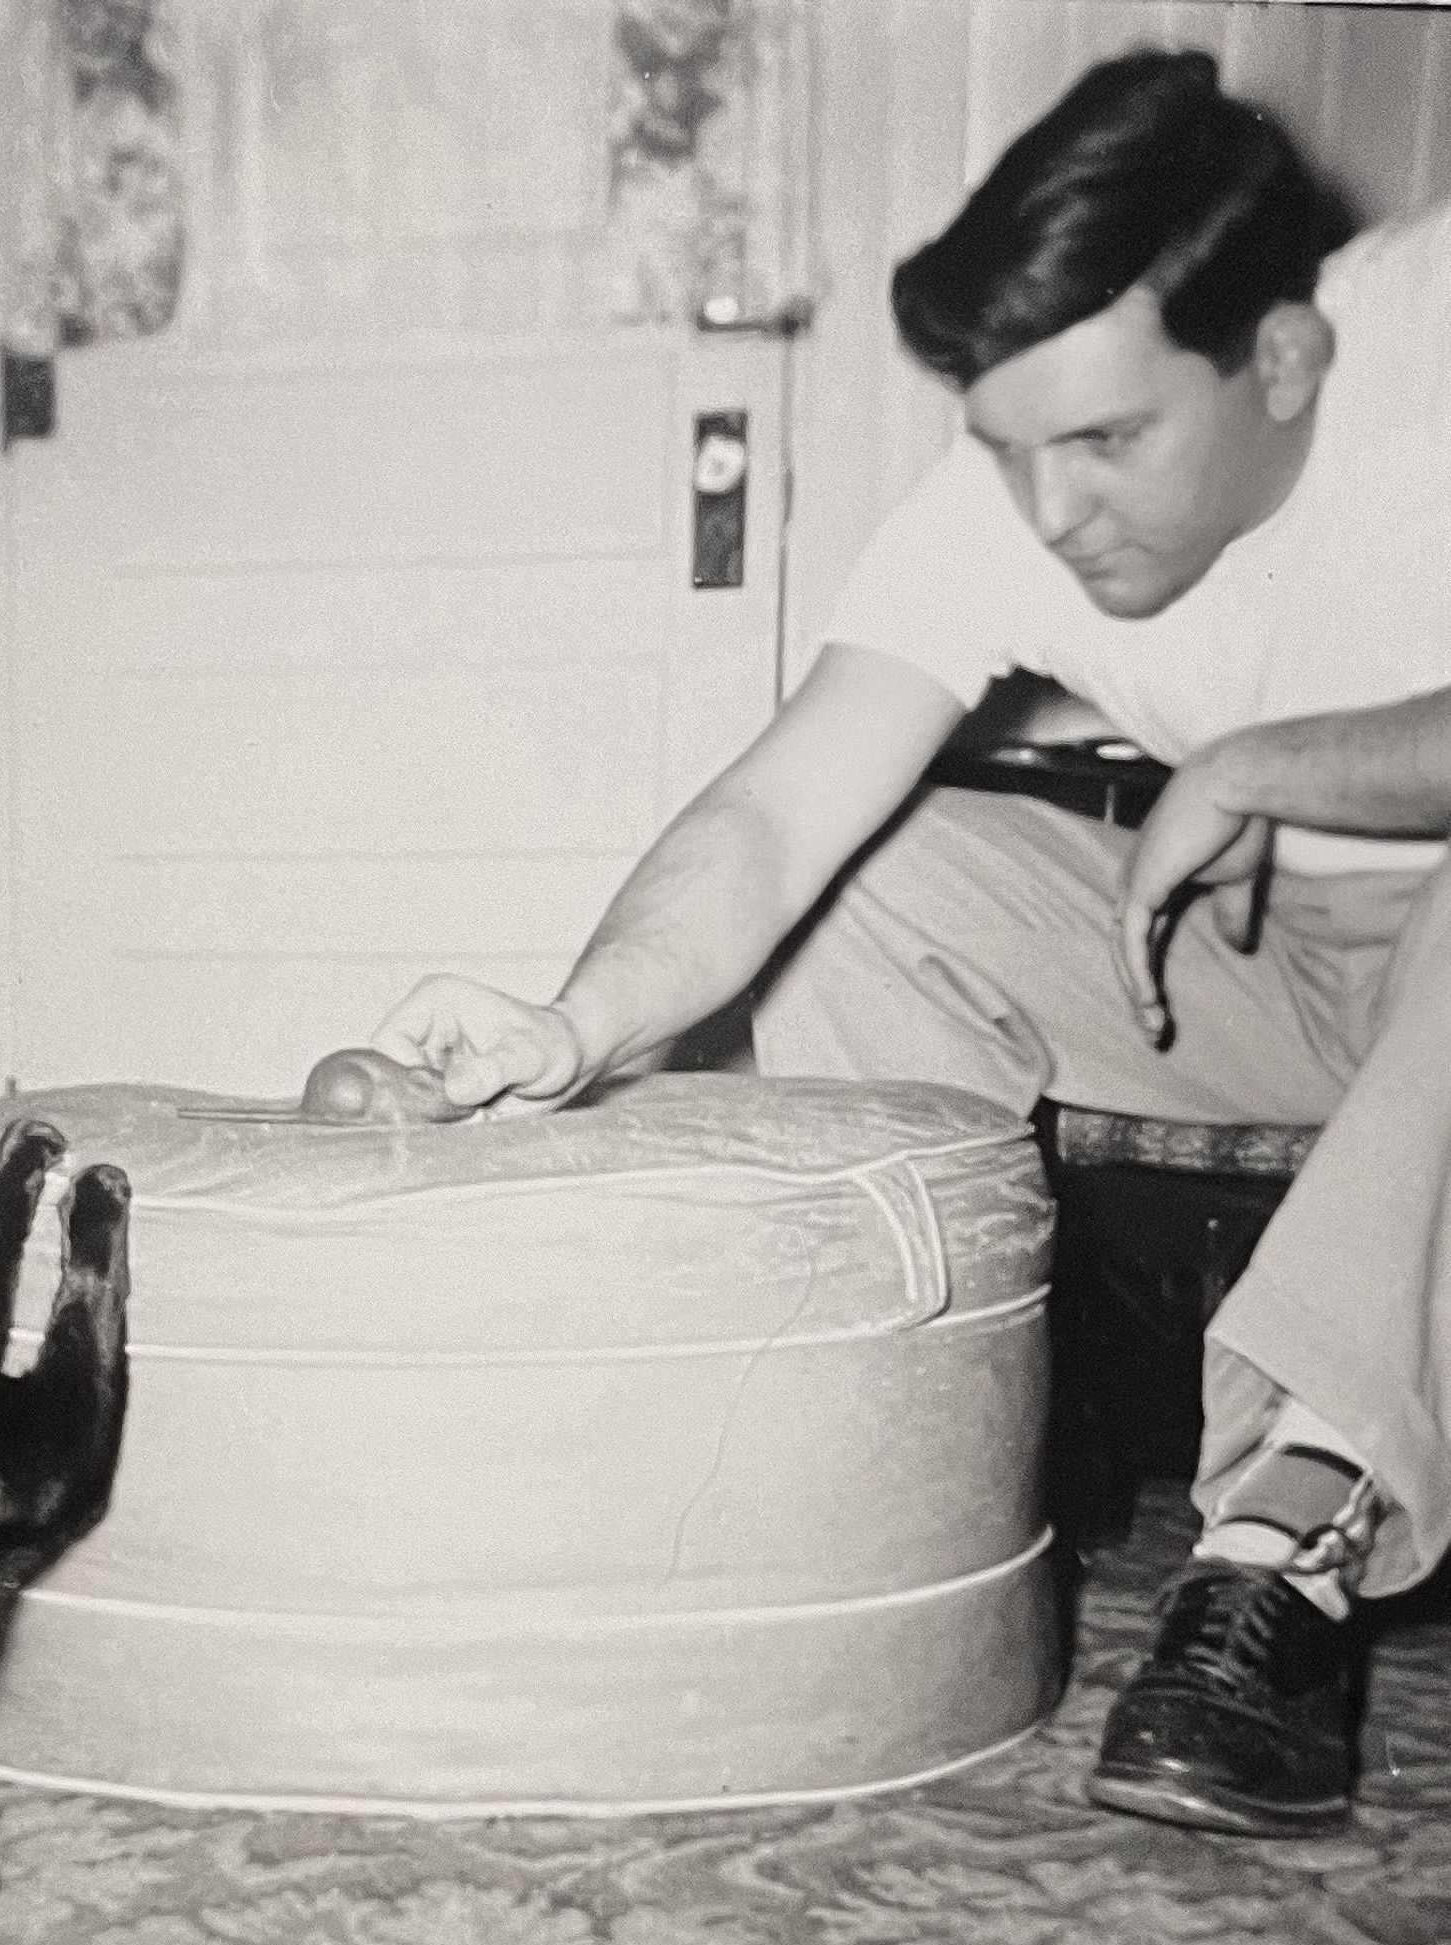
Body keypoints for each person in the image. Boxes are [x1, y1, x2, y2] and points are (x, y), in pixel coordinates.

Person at [371, 46, 1451, 1839]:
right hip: (1263, 967)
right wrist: (575, 1025)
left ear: (1281, 359)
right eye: (1008, 452)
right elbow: (774, 814)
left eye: (1107, 441)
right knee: (870, 884)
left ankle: (1281, 1544)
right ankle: (899, 1476)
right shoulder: (1014, 498)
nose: (1051, 517)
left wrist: (1273, 762)